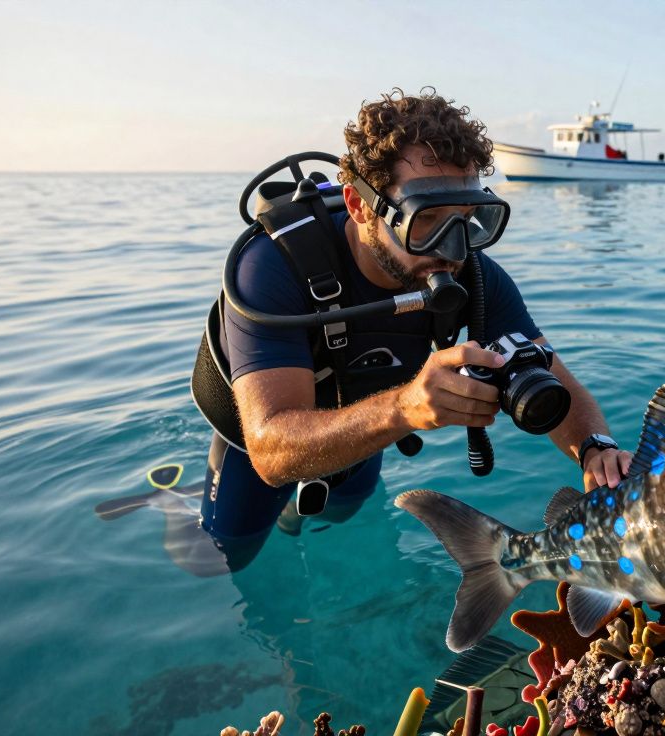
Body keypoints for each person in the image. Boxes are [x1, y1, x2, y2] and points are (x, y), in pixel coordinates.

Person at [196, 88, 632, 572]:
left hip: (364, 434)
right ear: (360, 207)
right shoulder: (272, 266)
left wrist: (596, 449)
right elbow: (270, 452)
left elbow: (549, 370)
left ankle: (295, 519)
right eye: (426, 220)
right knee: (221, 557)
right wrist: (404, 408)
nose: (453, 249)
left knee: (343, 518)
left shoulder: (475, 276)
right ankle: (188, 504)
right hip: (257, 443)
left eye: (468, 219)